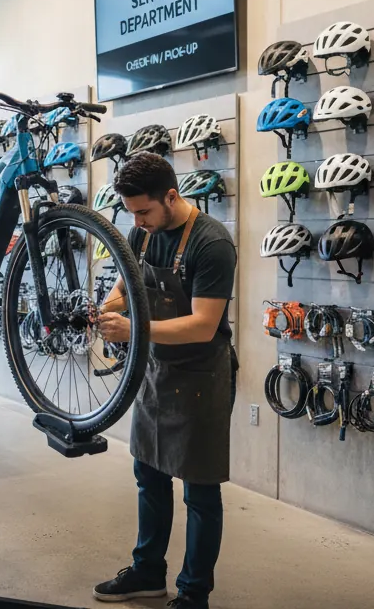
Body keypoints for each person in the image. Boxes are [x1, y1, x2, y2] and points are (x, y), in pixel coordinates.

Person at [92, 153, 238, 609]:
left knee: (199, 488)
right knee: (148, 474)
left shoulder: (211, 243)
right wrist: (110, 306)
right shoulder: (141, 232)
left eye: (143, 211)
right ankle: (148, 572)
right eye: (132, 212)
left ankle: (194, 594)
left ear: (171, 196)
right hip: (157, 370)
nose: (137, 222)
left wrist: (133, 328)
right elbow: (125, 285)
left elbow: (203, 324)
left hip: (200, 374)